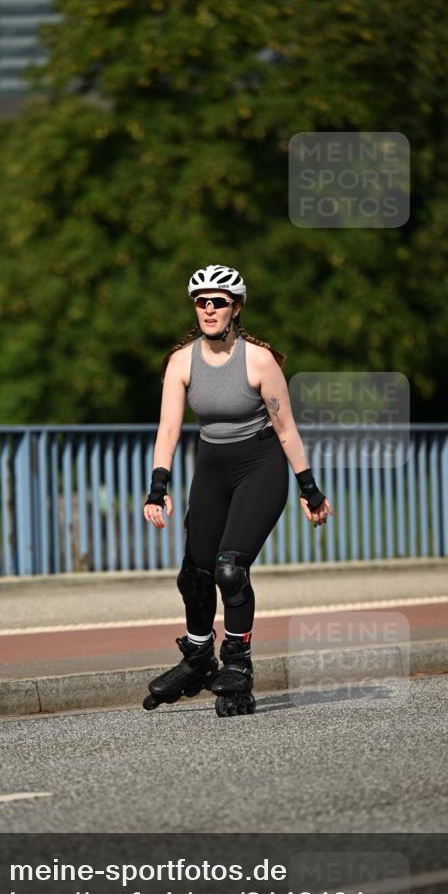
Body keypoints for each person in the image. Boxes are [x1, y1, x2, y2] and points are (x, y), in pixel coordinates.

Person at [142, 264, 334, 717]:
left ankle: (238, 668)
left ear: (236, 308)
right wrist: (158, 486)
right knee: (194, 575)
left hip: (260, 466)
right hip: (212, 467)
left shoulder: (259, 360)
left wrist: (310, 490)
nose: (209, 309)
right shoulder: (180, 361)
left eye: (219, 301)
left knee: (229, 569)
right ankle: (197, 657)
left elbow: (286, 429)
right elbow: (168, 428)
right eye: (201, 301)